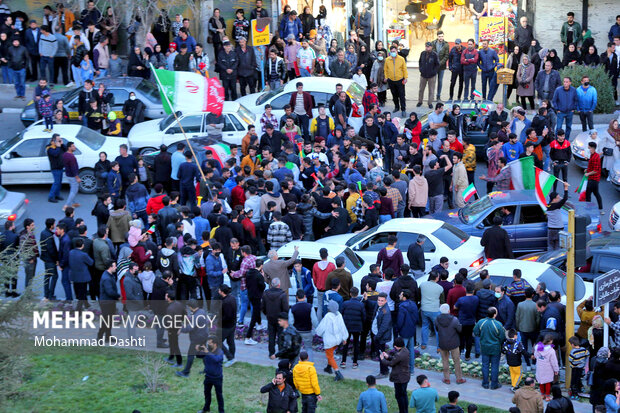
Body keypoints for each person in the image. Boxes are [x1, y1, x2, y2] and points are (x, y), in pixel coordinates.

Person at [316, 300, 348, 381]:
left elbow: (321, 328)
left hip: (329, 340)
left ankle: (338, 373)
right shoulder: (339, 315)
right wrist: (344, 338)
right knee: (331, 354)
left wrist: (317, 333)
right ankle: (328, 367)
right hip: (337, 340)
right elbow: (343, 327)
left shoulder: (328, 316)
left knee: (330, 356)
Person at [474, 307, 505, 390]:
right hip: (495, 348)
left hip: (484, 347)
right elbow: (502, 337)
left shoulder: (481, 322)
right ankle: (494, 384)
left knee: (485, 365)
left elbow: (476, 332)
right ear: (494, 314)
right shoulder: (498, 324)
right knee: (495, 366)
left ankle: (485, 383)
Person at [436, 303, 465, 385]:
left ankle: (447, 378)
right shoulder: (454, 320)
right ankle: (459, 378)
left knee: (445, 361)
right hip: (454, 343)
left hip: (442, 343)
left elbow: (437, 329)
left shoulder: (437, 319)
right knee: (456, 361)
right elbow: (459, 330)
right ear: (449, 310)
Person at [380, 336, 410, 413]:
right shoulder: (405, 350)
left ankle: (402, 411)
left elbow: (391, 363)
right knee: (404, 395)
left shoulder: (399, 355)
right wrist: (388, 356)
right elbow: (395, 360)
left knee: (399, 396)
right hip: (405, 377)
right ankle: (405, 411)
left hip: (399, 378)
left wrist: (383, 359)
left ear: (396, 346)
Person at [262, 278, 289, 359]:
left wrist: (267, 313)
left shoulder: (266, 293)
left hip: (270, 318)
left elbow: (262, 307)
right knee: (281, 336)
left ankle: (271, 353)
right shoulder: (282, 295)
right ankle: (280, 354)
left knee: (271, 336)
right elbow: (286, 309)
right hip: (280, 319)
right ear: (279, 285)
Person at [341, 286, 365, 369]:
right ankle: (355, 362)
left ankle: (343, 361)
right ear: (357, 294)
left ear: (350, 294)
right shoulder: (361, 305)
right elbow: (363, 317)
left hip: (347, 326)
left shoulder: (345, 303)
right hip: (357, 327)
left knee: (345, 344)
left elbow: (341, 314)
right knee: (356, 344)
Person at [97, 259, 119, 342]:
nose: (116, 267)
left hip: (109, 302)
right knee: (106, 320)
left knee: (109, 320)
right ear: (110, 267)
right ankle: (100, 336)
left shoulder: (109, 275)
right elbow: (109, 291)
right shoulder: (107, 278)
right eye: (114, 266)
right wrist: (118, 296)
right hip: (106, 302)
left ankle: (108, 336)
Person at [534, 334, 559, 401]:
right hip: (548, 368)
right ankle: (547, 396)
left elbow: (536, 356)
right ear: (551, 341)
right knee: (548, 382)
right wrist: (556, 370)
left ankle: (542, 394)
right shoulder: (551, 350)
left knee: (541, 381)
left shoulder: (537, 347)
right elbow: (554, 361)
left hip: (540, 367)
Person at [384, 45, 407, 117]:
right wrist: (386, 77)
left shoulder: (401, 59)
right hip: (391, 80)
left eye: (394, 51)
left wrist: (405, 77)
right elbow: (385, 69)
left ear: (397, 51)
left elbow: (404, 69)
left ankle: (403, 109)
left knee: (402, 95)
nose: (393, 53)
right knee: (394, 95)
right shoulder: (387, 60)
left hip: (400, 80)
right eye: (391, 52)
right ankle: (397, 107)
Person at [418, 41, 439, 109]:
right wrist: (421, 69)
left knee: (431, 90)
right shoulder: (423, 53)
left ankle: (430, 103)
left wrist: (434, 72)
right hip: (423, 75)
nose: (427, 48)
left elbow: (437, 64)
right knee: (421, 89)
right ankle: (420, 101)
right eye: (426, 46)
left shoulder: (434, 54)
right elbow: (420, 62)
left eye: (429, 46)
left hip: (431, 76)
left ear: (431, 47)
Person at [585, 141, 603, 214]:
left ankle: (588, 208)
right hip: (595, 179)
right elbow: (593, 167)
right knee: (596, 193)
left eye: (589, 146)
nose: (588, 147)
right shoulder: (594, 155)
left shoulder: (595, 157)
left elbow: (596, 170)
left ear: (592, 148)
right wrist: (587, 169)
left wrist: (588, 173)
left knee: (588, 194)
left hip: (593, 179)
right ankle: (600, 209)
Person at [62, 141, 81, 210]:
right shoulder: (71, 157)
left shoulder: (64, 154)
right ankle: (66, 205)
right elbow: (73, 168)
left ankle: (73, 203)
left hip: (68, 174)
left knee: (73, 189)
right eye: (73, 146)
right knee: (74, 190)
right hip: (73, 176)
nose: (74, 147)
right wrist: (77, 178)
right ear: (69, 148)